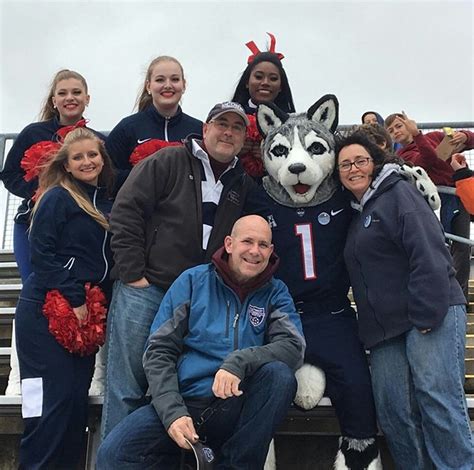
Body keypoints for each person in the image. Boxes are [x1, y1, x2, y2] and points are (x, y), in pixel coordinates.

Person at [97, 215, 305, 469]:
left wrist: (239, 362)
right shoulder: (193, 281)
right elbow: (158, 350)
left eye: (263, 245)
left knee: (280, 376)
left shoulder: (276, 292)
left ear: (271, 251)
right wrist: (173, 413)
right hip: (186, 401)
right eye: (247, 241)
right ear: (229, 243)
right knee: (114, 453)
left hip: (237, 405)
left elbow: (293, 346)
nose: (254, 251)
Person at [101, 101, 256, 439]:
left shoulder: (241, 183)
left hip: (198, 299)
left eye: (237, 127)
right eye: (221, 124)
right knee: (127, 386)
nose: (228, 132)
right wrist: (132, 273)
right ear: (205, 128)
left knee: (180, 389)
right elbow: (127, 210)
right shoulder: (168, 159)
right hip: (149, 288)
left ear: (244, 137)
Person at [336, 131, 473, 469]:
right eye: (344, 165)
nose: (353, 168)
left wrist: (427, 314)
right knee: (395, 411)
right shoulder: (356, 215)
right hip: (385, 332)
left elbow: (428, 252)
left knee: (438, 402)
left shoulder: (398, 192)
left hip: (427, 315)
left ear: (375, 162)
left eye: (360, 160)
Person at [0, 69, 105, 396]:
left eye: (77, 91)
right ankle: (19, 379)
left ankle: (92, 374)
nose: (70, 97)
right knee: (35, 292)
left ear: (87, 98)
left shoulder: (94, 140)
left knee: (87, 297)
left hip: (73, 235)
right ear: (54, 99)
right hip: (31, 223)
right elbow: (9, 174)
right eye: (63, 92)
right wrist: (40, 189)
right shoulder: (34, 132)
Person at [15, 128, 115, 469]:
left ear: (103, 158)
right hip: (44, 314)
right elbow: (40, 255)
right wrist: (74, 295)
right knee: (47, 409)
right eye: (78, 157)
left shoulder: (106, 201)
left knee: (75, 409)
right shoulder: (57, 197)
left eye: (93, 155)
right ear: (67, 165)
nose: (87, 162)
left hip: (83, 318)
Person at [385, 112, 474, 299]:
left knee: (461, 246)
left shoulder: (432, 137)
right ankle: (452, 293)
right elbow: (428, 161)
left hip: (460, 191)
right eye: (391, 130)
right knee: (446, 244)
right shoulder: (402, 155)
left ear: (408, 122)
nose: (396, 131)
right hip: (438, 200)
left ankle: (460, 295)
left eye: (399, 125)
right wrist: (417, 135)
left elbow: (466, 142)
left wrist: (465, 136)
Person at [105, 55, 202, 183]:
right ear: (148, 86)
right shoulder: (127, 128)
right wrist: (148, 177)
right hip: (139, 202)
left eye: (175, 79)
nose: (168, 85)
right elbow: (108, 175)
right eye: (160, 80)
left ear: (184, 85)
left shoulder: (199, 130)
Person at [231, 34, 296, 179]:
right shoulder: (230, 116)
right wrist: (233, 148)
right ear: (247, 82)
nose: (265, 82)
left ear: (281, 86)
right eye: (259, 77)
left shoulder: (292, 123)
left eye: (273, 78)